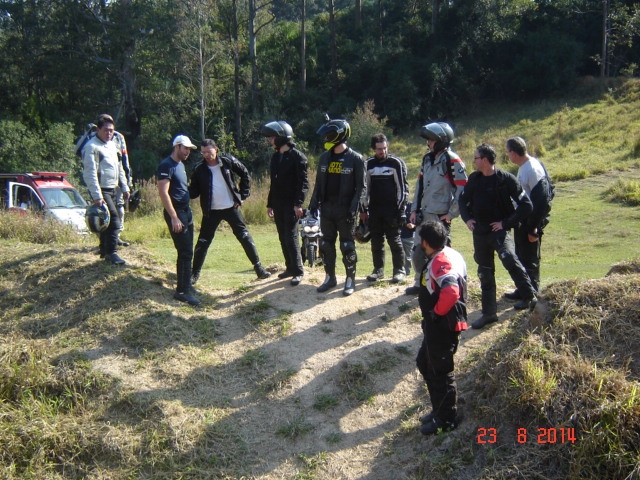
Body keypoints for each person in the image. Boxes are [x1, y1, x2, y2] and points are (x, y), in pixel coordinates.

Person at [458, 143, 537, 329]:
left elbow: (526, 205)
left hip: (499, 231)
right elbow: (462, 200)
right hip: (480, 233)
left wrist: (505, 223)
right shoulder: (474, 179)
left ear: (485, 160)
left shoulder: (506, 179)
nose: (474, 161)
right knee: (485, 272)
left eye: (476, 158)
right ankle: (489, 314)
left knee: (509, 259)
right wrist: (467, 219)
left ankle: (531, 297)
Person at [188, 138, 271, 284]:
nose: (206, 155)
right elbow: (194, 191)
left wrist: (242, 196)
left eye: (209, 151)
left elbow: (245, 173)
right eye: (203, 152)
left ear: (216, 149)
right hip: (211, 211)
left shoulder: (227, 161)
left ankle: (259, 269)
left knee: (244, 236)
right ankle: (194, 274)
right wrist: (181, 191)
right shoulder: (199, 169)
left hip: (231, 207)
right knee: (203, 242)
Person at [416, 221, 468, 435]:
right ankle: (438, 410)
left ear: (426, 242)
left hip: (443, 324)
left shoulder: (441, 261)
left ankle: (446, 419)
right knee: (425, 363)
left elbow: (451, 291)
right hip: (438, 323)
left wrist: (435, 314)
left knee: (440, 371)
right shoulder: (449, 253)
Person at [406, 122, 467, 295]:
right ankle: (420, 284)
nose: (428, 143)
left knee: (440, 253)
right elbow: (419, 185)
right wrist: (414, 210)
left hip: (440, 216)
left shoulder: (452, 160)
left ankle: (442, 285)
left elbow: (463, 189)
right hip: (423, 213)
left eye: (431, 140)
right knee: (418, 252)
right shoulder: (426, 158)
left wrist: (451, 213)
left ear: (441, 141)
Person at [308, 117, 365, 296]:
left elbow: (361, 188)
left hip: (345, 210)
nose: (325, 138)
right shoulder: (324, 157)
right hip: (327, 209)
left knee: (347, 246)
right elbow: (318, 184)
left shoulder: (356, 159)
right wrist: (313, 204)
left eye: (328, 135)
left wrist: (354, 209)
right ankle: (330, 278)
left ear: (338, 135)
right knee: (326, 244)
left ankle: (350, 280)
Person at [261, 121, 309, 286]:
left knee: (291, 236)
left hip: (291, 204)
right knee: (282, 236)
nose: (270, 140)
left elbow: (303, 183)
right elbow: (274, 183)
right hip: (278, 203)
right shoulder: (276, 157)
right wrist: (270, 204)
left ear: (282, 137)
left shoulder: (298, 157)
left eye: (272, 137)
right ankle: (289, 267)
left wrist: (298, 204)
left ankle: (298, 271)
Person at [505, 136, 553, 300]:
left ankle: (531, 296)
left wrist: (534, 227)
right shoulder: (524, 167)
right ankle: (523, 290)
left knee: (530, 259)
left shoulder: (532, 169)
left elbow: (542, 200)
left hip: (530, 221)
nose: (508, 156)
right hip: (522, 219)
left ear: (513, 152)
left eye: (508, 152)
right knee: (520, 256)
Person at [157, 135, 200, 306]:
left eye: (189, 149)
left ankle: (186, 285)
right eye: (185, 148)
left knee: (188, 250)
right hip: (176, 214)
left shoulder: (180, 165)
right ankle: (182, 291)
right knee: (185, 251)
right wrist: (174, 217)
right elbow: (163, 193)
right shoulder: (166, 165)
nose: (188, 151)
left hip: (186, 211)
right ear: (177, 147)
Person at [360, 133, 408, 283]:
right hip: (374, 209)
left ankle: (399, 271)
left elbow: (402, 188)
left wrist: (401, 210)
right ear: (373, 149)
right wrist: (363, 210)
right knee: (376, 241)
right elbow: (364, 189)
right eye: (380, 149)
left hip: (392, 209)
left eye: (385, 148)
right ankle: (378, 270)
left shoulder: (396, 163)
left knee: (394, 240)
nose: (383, 151)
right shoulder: (368, 164)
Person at [82, 113, 130, 265]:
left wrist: (124, 187)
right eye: (106, 130)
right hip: (101, 189)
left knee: (106, 221)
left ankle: (104, 250)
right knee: (114, 220)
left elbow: (119, 167)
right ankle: (112, 252)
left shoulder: (113, 145)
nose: (109, 133)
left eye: (111, 130)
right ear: (98, 130)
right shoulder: (91, 147)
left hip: (113, 188)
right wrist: (97, 196)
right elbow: (90, 173)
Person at [400, 203, 415, 277]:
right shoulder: (397, 205)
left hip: (409, 235)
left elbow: (420, 220)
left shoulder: (412, 207)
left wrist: (414, 225)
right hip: (397, 235)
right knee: (398, 255)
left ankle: (407, 273)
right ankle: (399, 272)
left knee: (407, 256)